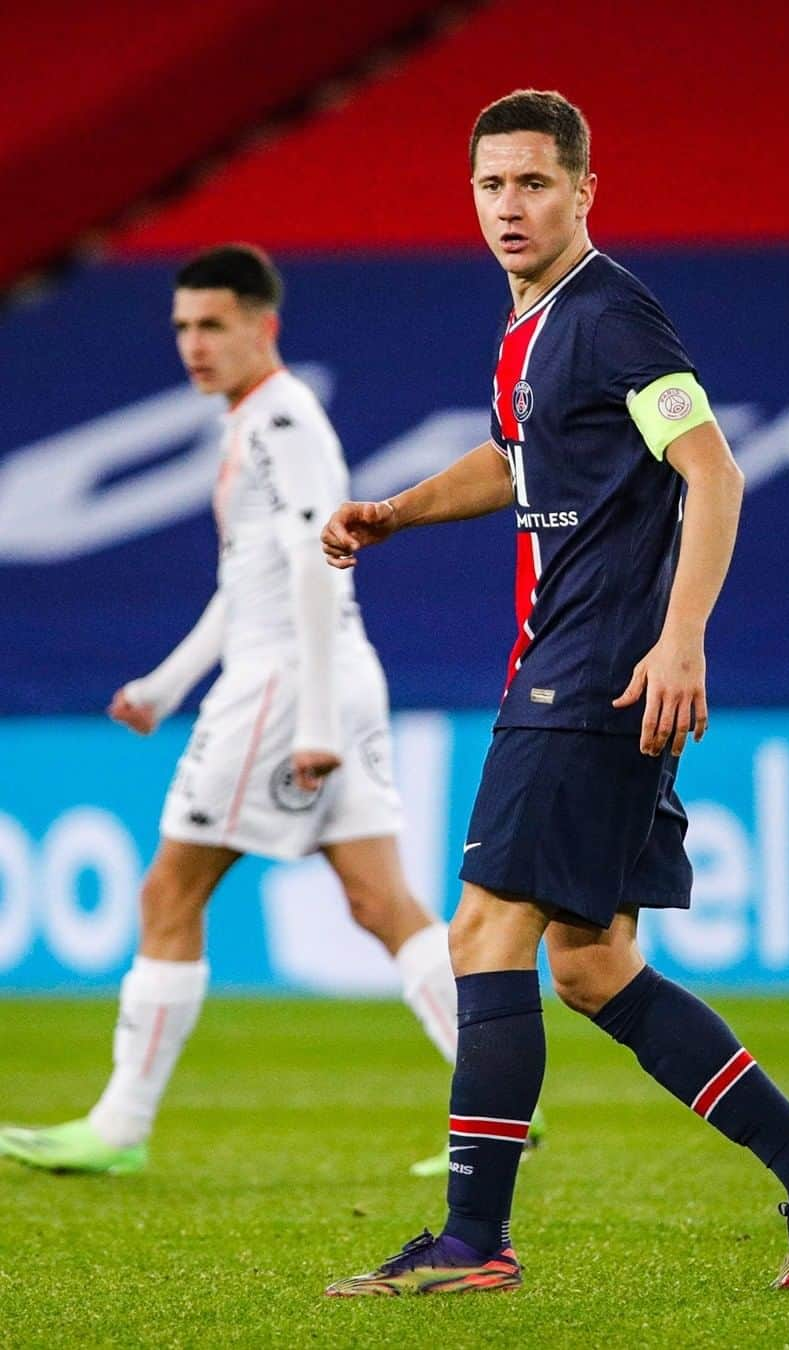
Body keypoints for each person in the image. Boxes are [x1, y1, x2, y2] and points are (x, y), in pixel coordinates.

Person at [319, 91, 789, 1296]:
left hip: (595, 671)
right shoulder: (530, 327)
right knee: (587, 965)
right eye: (491, 186)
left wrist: (683, 639)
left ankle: (475, 1239)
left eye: (533, 184)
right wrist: (399, 511)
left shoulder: (612, 313)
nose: (509, 207)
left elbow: (712, 471)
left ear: (585, 190)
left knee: (484, 934)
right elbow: (515, 456)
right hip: (587, 668)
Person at [0, 244, 477, 1178]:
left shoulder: (282, 422)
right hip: (326, 671)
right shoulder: (254, 422)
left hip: (286, 683)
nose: (193, 344)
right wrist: (167, 684)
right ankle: (501, 1101)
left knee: (167, 892)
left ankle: (120, 1124)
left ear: (265, 326)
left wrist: (311, 728)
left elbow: (312, 559)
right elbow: (250, 576)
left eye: (213, 324)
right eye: (181, 326)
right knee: (382, 901)